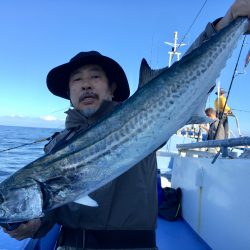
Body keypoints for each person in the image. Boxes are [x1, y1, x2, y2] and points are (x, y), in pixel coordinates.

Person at [3, 0, 250, 249]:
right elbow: (51, 210)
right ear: (69, 93)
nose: (86, 84)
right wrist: (36, 225)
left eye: (95, 77)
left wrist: (227, 22)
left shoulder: (142, 114)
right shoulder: (57, 145)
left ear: (112, 89)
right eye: (77, 80)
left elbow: (181, 75)